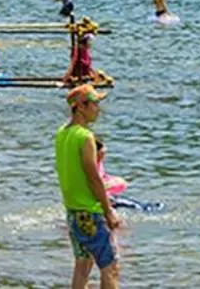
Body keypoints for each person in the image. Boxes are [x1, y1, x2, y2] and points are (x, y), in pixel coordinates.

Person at [56, 83, 121, 288]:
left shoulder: (62, 134)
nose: (98, 109)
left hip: (73, 211)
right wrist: (108, 211)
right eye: (94, 104)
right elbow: (93, 177)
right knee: (110, 267)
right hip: (89, 212)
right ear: (81, 107)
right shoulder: (85, 137)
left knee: (83, 265)